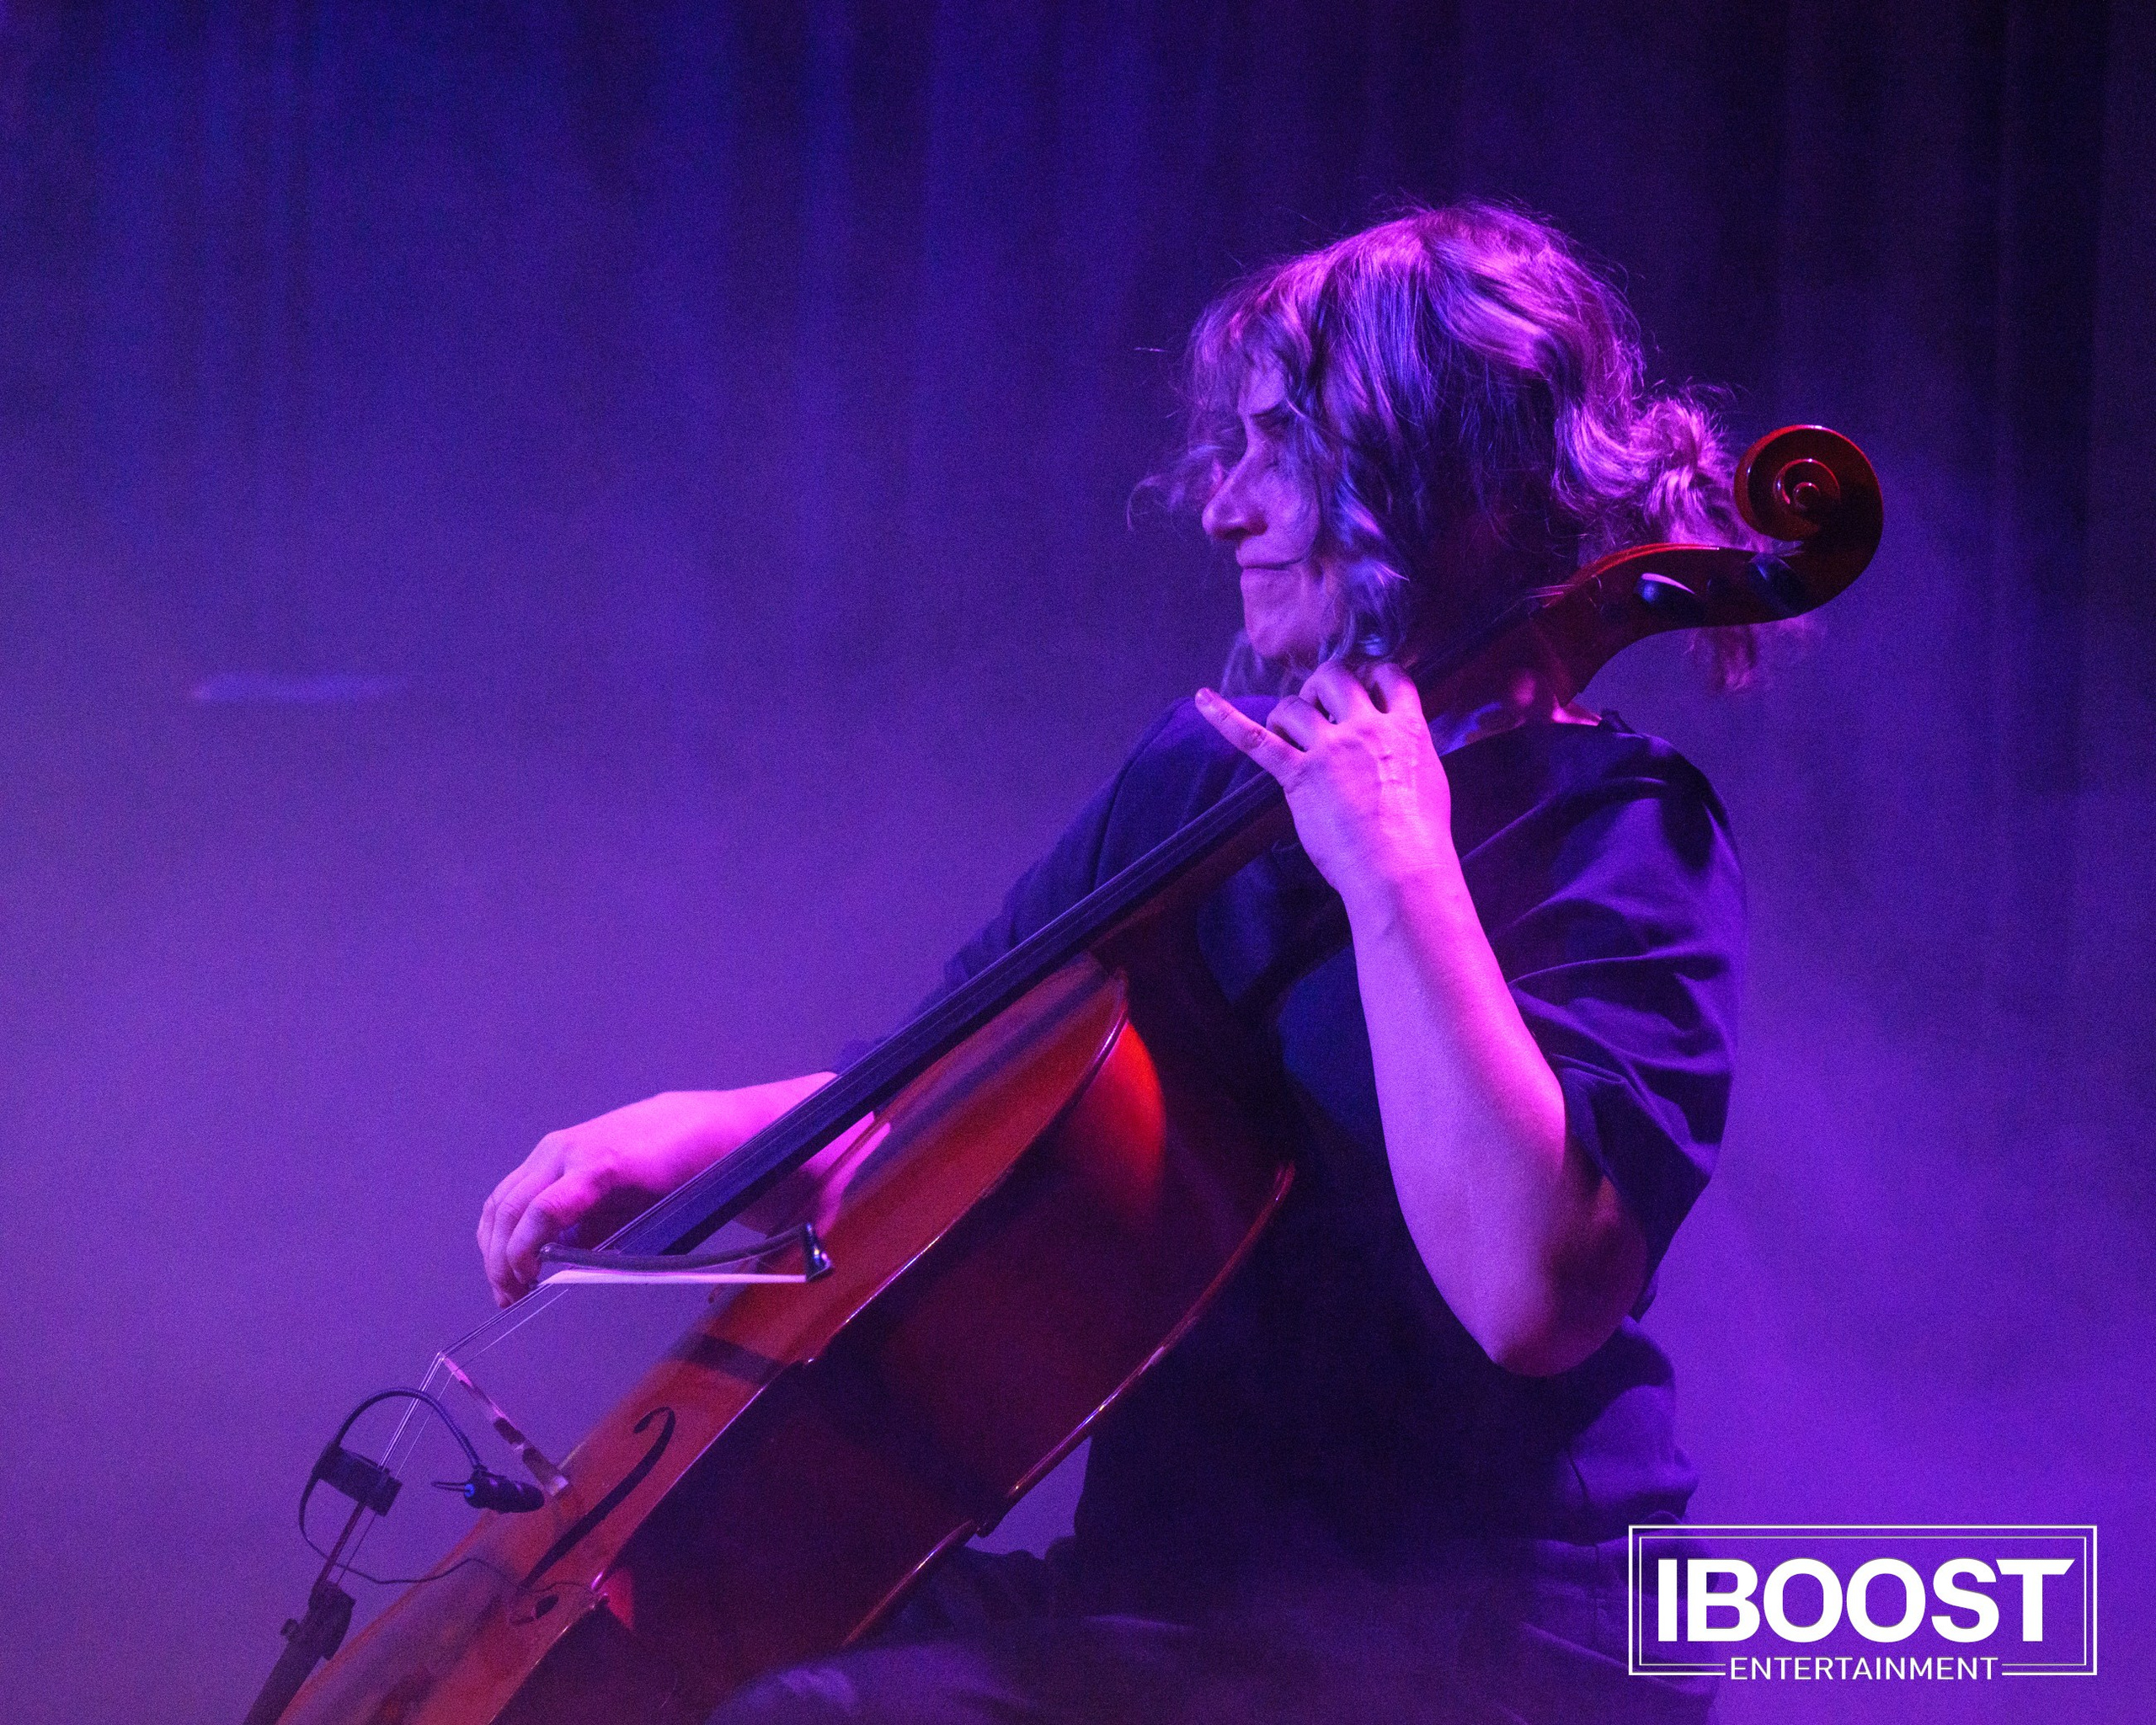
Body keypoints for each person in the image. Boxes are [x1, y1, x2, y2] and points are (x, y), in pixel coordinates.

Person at [477, 202, 1754, 1723]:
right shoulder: (1207, 785)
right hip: (1184, 1596)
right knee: (644, 1649)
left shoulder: (1618, 832)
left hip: (1467, 1639)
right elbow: (956, 1108)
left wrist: (1400, 862)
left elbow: (1535, 1290)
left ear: (1439, 474)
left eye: (1283, 444)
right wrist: (715, 1131)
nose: (1223, 506)